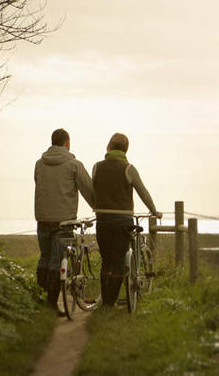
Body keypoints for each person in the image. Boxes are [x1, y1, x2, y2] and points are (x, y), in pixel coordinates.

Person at [92, 132, 162, 306]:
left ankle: (106, 299)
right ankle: (110, 302)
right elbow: (143, 193)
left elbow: (95, 190)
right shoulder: (128, 168)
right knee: (117, 262)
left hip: (102, 220)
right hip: (123, 221)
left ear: (109, 147)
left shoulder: (96, 167)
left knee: (106, 261)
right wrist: (154, 211)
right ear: (126, 149)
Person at [33, 128, 95, 312]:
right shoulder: (74, 165)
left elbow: (38, 183)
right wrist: (98, 206)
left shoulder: (39, 164)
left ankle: (41, 300)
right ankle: (51, 304)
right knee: (55, 263)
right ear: (67, 143)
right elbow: (88, 189)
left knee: (44, 259)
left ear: (52, 142)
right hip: (64, 223)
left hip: (42, 220)